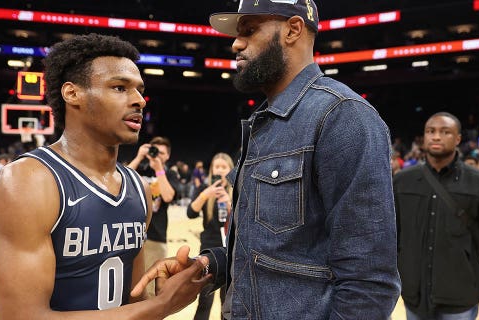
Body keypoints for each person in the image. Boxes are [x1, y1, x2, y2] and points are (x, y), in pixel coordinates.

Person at [135, 1, 401, 319]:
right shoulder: (265, 122)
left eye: (249, 30)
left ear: (292, 30)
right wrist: (209, 264)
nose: (236, 42)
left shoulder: (342, 116)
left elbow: (369, 282)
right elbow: (270, 249)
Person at [0, 34, 208, 320]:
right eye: (119, 87)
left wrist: (162, 291)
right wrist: (162, 305)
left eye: (140, 90)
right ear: (72, 93)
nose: (139, 100)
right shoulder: (27, 182)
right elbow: (20, 316)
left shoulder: (137, 187)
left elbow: (132, 301)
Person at [394, 112, 479, 319]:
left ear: (458, 139)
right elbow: (392, 240)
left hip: (461, 301)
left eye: (444, 132)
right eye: (431, 131)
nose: (436, 136)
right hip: (414, 299)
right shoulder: (402, 181)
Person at [127, 136, 181, 295]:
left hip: (156, 237)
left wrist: (159, 169)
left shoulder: (170, 174)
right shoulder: (141, 169)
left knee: (150, 290)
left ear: (168, 156)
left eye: (162, 153)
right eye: (155, 151)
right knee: (129, 286)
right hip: (132, 234)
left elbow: (168, 196)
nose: (158, 155)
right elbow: (121, 181)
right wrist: (138, 157)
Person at [186, 153, 234, 320]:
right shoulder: (204, 190)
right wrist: (206, 194)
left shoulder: (237, 190)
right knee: (205, 299)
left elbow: (242, 220)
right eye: (217, 167)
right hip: (209, 251)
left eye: (224, 167)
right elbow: (190, 212)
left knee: (227, 301)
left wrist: (229, 202)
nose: (220, 170)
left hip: (231, 250)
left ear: (231, 169)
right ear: (211, 169)